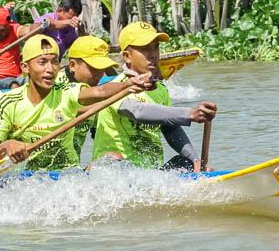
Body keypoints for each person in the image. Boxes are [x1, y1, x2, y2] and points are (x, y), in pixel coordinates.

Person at [0, 35, 153, 172]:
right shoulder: (8, 102)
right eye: (42, 62)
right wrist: (7, 146)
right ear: (25, 67)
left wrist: (128, 84)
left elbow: (99, 91)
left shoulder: (67, 91)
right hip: (28, 179)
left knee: (113, 158)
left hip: (68, 177)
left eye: (55, 61)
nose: (50, 69)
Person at [92, 22, 217, 172]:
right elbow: (137, 112)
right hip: (116, 169)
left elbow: (171, 129)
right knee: (116, 162)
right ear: (127, 56)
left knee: (186, 163)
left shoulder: (161, 90)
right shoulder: (116, 86)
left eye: (155, 47)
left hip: (149, 175)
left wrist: (195, 160)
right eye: (145, 49)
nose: (153, 54)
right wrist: (189, 114)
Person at [55, 36, 119, 155]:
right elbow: (73, 108)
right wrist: (108, 101)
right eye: (93, 68)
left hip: (73, 168)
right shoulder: (55, 83)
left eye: (102, 68)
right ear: (73, 65)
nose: (99, 75)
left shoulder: (95, 87)